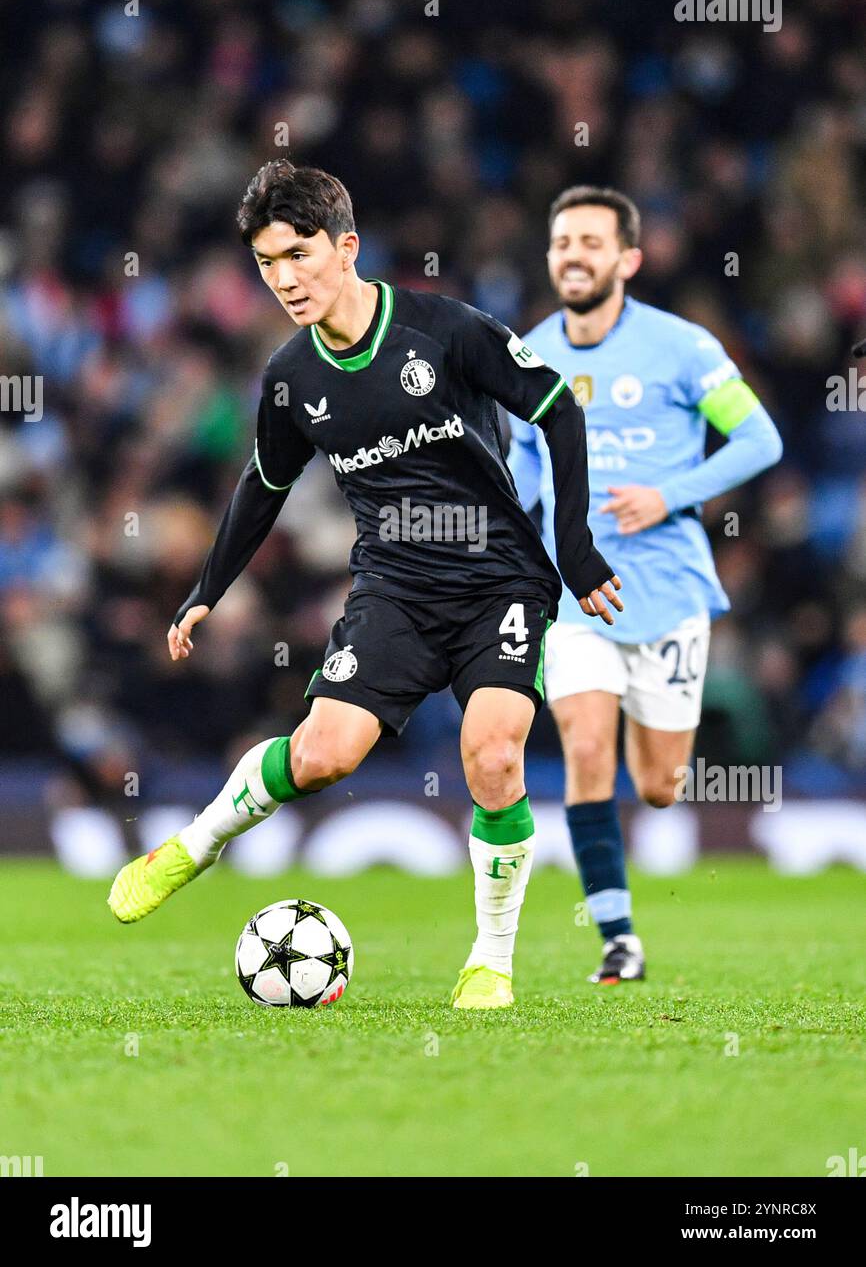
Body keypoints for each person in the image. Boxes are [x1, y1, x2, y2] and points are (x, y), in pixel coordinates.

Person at [107, 159, 622, 1009]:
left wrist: (577, 548)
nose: (284, 279)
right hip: (395, 590)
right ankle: (192, 847)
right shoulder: (291, 378)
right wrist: (207, 589)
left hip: (501, 581)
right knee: (318, 757)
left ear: (347, 247)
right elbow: (262, 487)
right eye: (268, 263)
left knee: (493, 754)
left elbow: (558, 407)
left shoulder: (446, 330)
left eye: (299, 254)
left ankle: (491, 960)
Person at [508, 186, 782, 984]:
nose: (574, 256)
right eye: (563, 242)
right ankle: (617, 938)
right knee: (586, 751)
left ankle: (652, 758)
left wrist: (671, 494)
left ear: (628, 258)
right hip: (575, 595)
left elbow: (760, 438)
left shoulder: (684, 347)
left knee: (659, 786)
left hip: (667, 591)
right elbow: (522, 470)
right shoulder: (527, 356)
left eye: (592, 242)